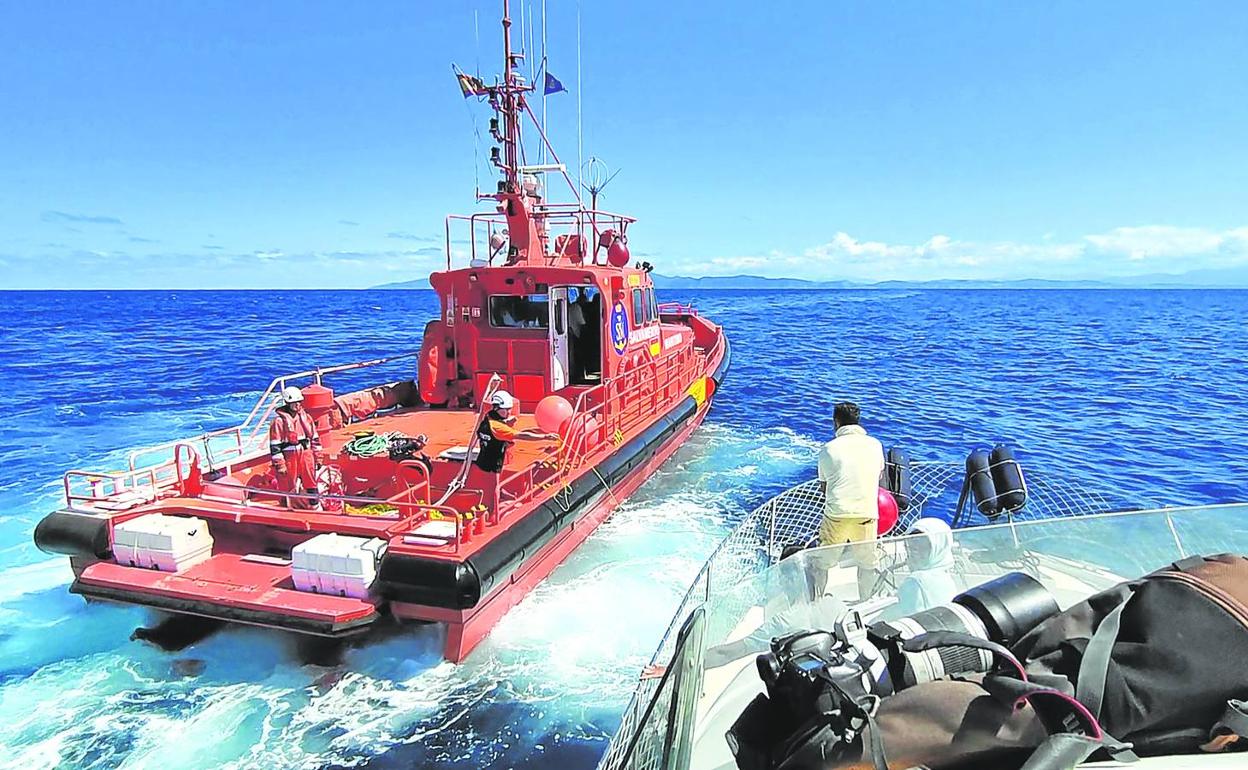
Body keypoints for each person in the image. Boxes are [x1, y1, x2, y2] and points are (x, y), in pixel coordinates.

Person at [817, 401, 885, 600]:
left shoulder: (828, 449)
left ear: (836, 422)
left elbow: (824, 487)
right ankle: (865, 600)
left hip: (836, 515)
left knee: (822, 563)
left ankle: (817, 600)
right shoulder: (875, 445)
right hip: (866, 514)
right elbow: (878, 476)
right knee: (867, 564)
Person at [467, 390, 558, 521]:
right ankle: (494, 512)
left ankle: (499, 495)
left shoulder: (488, 418)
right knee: (493, 489)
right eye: (506, 410)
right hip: (493, 465)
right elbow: (521, 435)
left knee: (493, 486)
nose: (509, 412)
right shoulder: (498, 428)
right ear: (497, 408)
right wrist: (544, 436)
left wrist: (507, 422)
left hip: (484, 460)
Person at [889, 518, 959, 618]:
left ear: (937, 548)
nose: (913, 552)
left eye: (922, 545)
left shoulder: (916, 581)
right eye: (911, 546)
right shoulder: (947, 578)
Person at [268, 385, 323, 510]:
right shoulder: (278, 422)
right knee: (288, 483)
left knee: (310, 481)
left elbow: (314, 439)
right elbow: (275, 446)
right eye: (294, 402)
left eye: (299, 402)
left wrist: (318, 457)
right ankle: (287, 507)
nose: (297, 405)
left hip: (306, 454)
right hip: (289, 456)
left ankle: (315, 506)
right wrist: (280, 464)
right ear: (287, 403)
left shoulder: (306, 418)